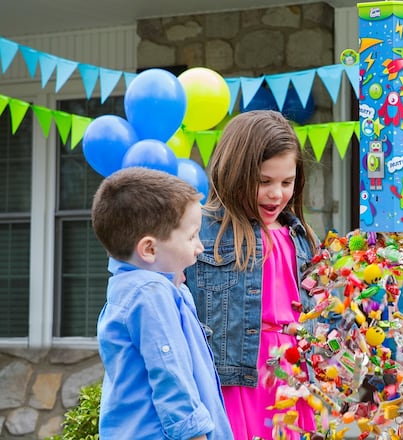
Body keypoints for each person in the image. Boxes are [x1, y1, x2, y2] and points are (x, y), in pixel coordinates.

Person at [184, 110, 319, 440]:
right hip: (234, 374)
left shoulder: (300, 235)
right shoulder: (201, 231)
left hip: (292, 373)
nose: (277, 194)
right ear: (234, 174)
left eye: (286, 182)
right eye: (263, 181)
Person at [93, 167, 232, 440]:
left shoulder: (138, 288)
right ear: (149, 249)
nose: (200, 247)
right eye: (191, 236)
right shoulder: (150, 293)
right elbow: (170, 371)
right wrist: (194, 433)